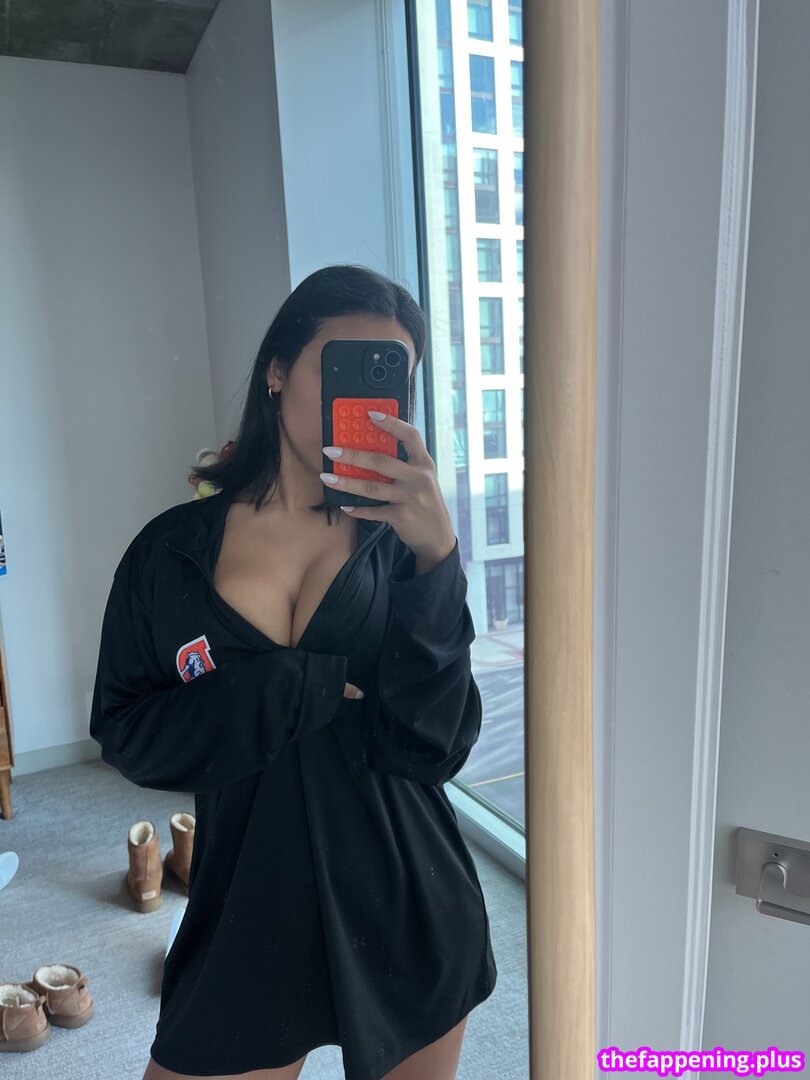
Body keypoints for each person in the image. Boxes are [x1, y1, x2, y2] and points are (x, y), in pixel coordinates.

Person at [89, 264, 497, 1080]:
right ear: (276, 371)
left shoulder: (405, 545)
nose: (369, 404)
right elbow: (127, 733)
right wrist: (277, 692)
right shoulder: (169, 553)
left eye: (392, 381)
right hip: (246, 907)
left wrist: (437, 559)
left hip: (408, 901)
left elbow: (432, 748)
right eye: (345, 367)